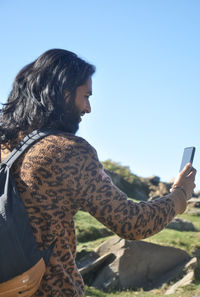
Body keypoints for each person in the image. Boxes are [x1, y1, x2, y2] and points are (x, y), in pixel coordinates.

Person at [0, 49, 196, 297]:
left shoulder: (4, 146)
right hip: (50, 289)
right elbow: (131, 222)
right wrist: (179, 196)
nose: (88, 108)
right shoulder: (67, 150)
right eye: (86, 96)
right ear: (63, 92)